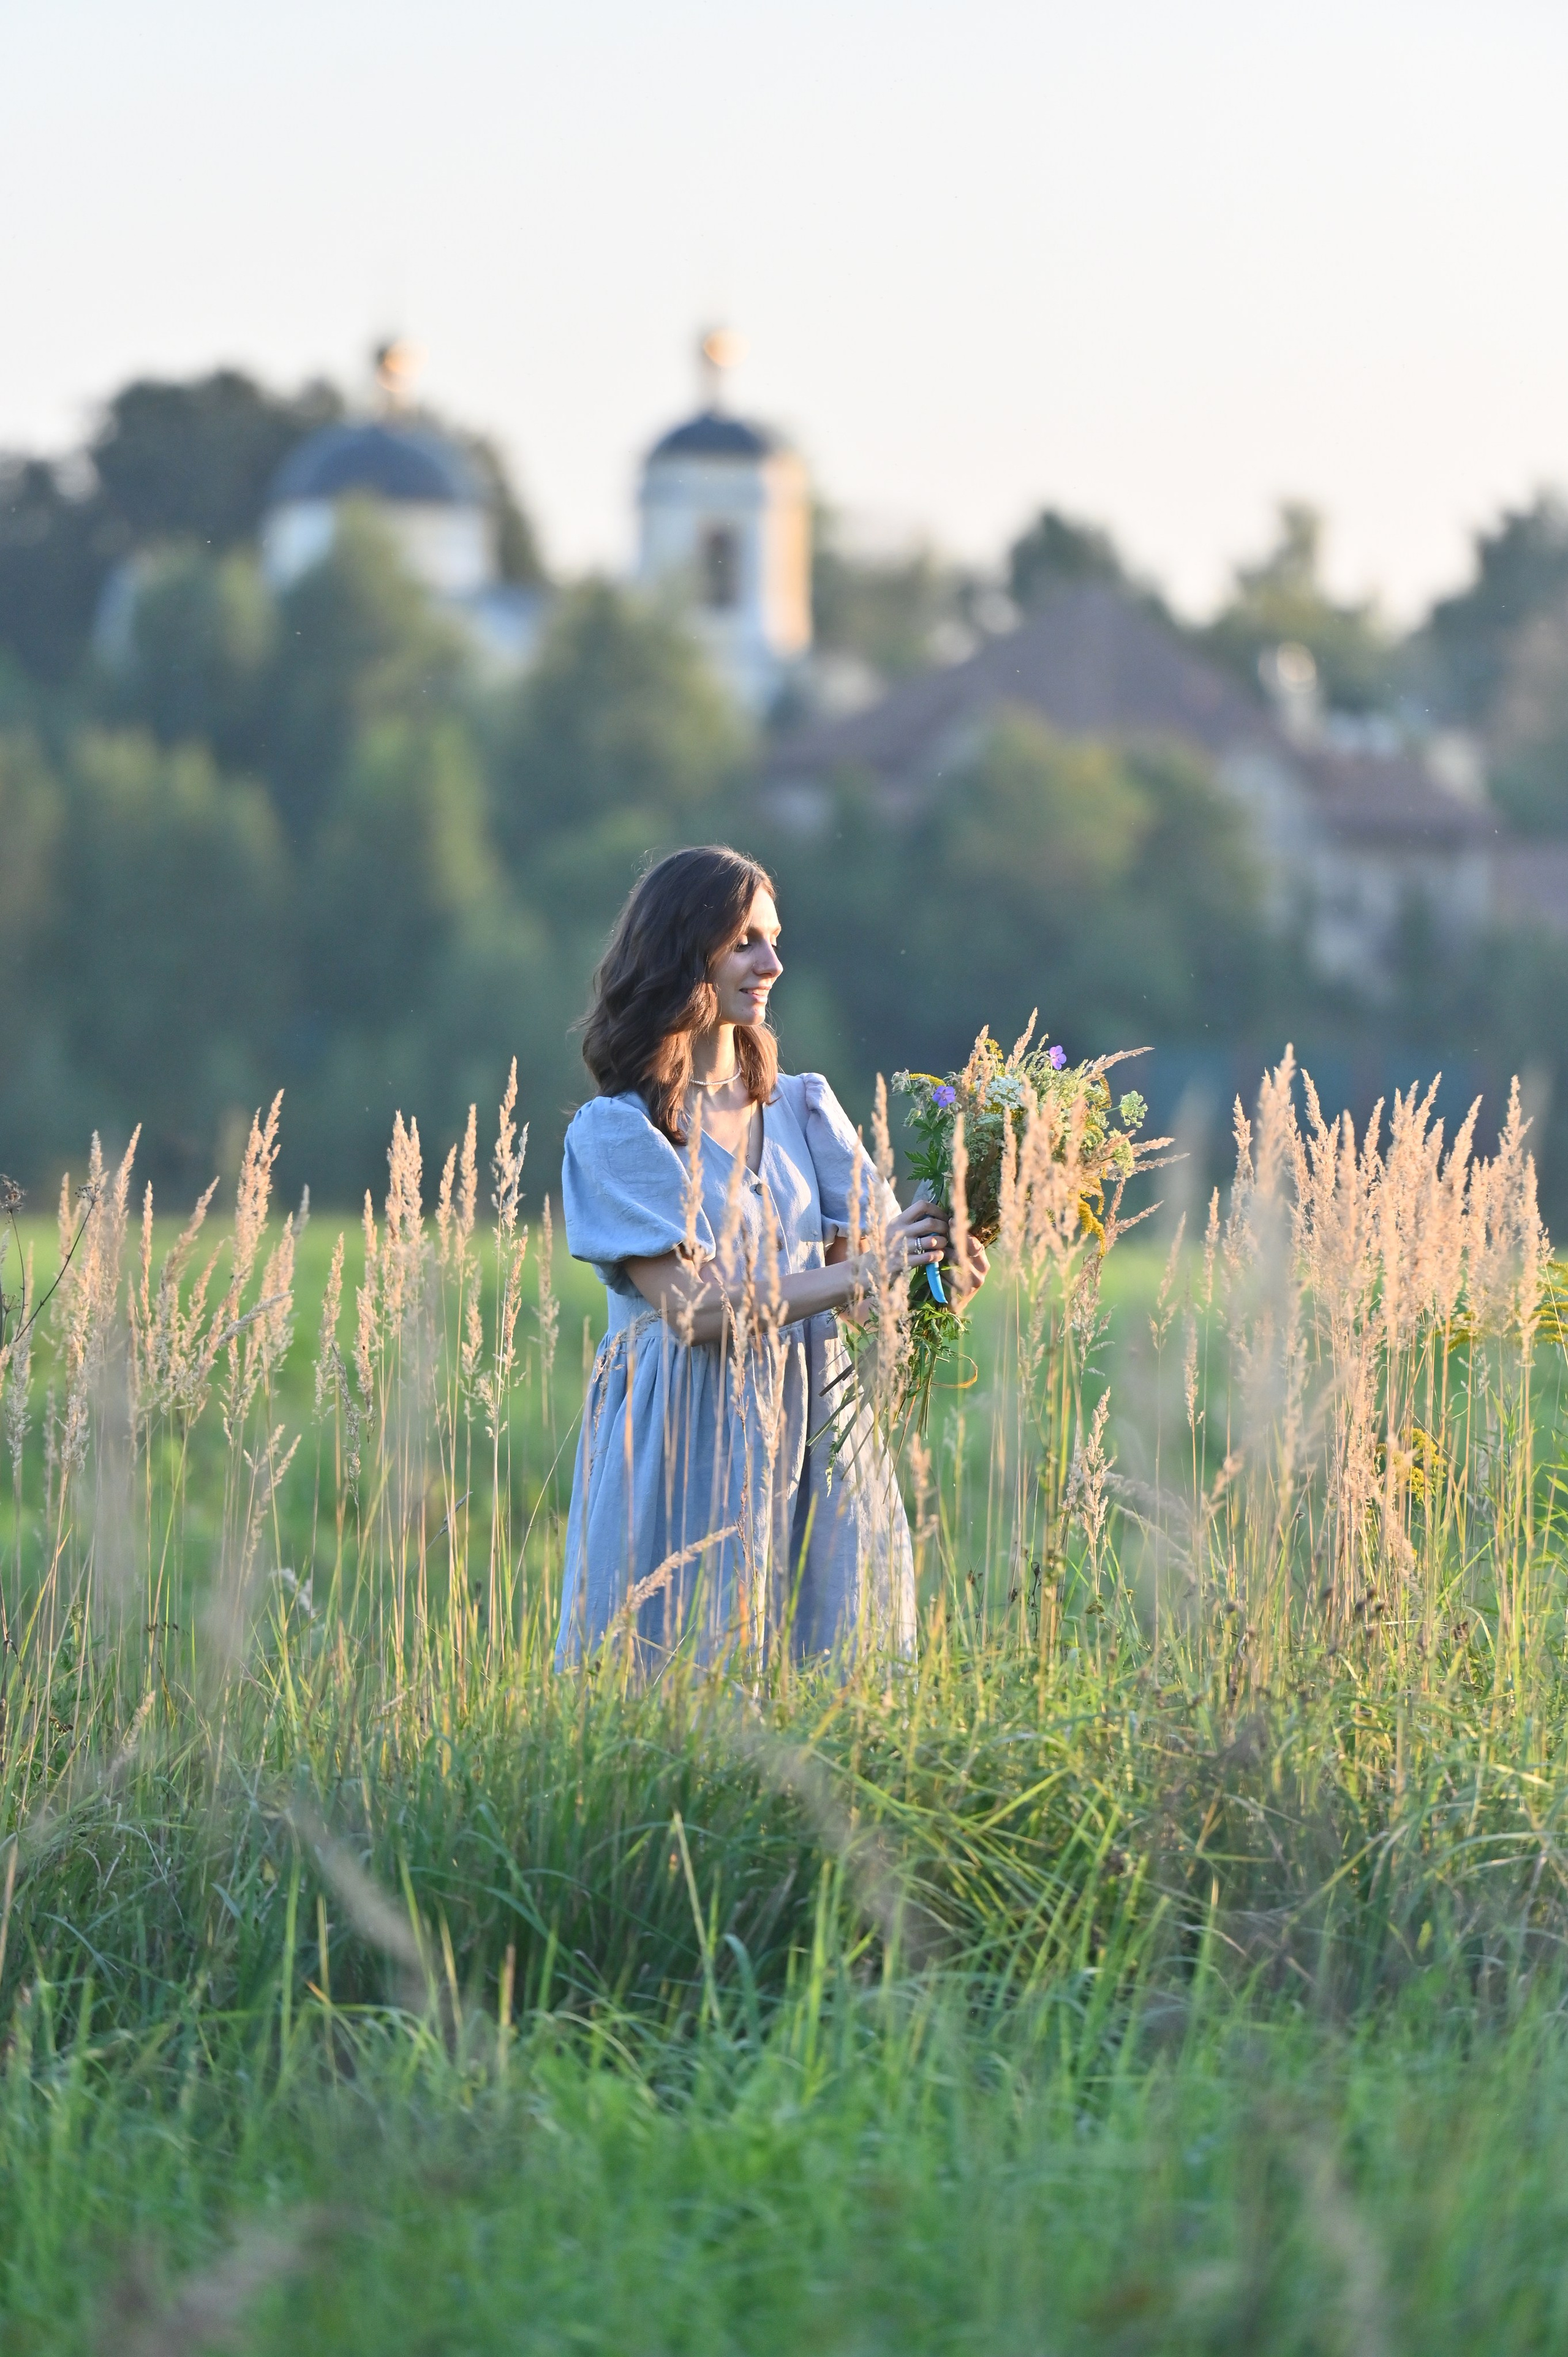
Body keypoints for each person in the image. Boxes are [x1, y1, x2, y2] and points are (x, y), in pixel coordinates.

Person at [556, 843, 986, 1667]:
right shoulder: (618, 1133)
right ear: (687, 950)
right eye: (747, 940)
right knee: (676, 1673)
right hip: (681, 1447)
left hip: (819, 1431)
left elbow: (865, 1306)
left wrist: (937, 1282)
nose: (773, 962)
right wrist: (870, 1267)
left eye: (774, 938)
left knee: (831, 1677)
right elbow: (691, 1310)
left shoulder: (806, 1110)